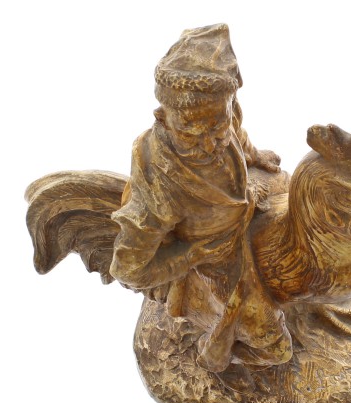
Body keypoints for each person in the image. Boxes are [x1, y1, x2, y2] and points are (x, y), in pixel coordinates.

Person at [109, 24, 292, 377]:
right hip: (215, 260)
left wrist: (254, 156)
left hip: (246, 201)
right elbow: (128, 269)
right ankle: (214, 357)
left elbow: (235, 130)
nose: (209, 145)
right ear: (163, 119)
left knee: (298, 196)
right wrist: (190, 256)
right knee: (276, 346)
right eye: (189, 134)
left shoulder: (221, 115)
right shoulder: (159, 183)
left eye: (216, 128)